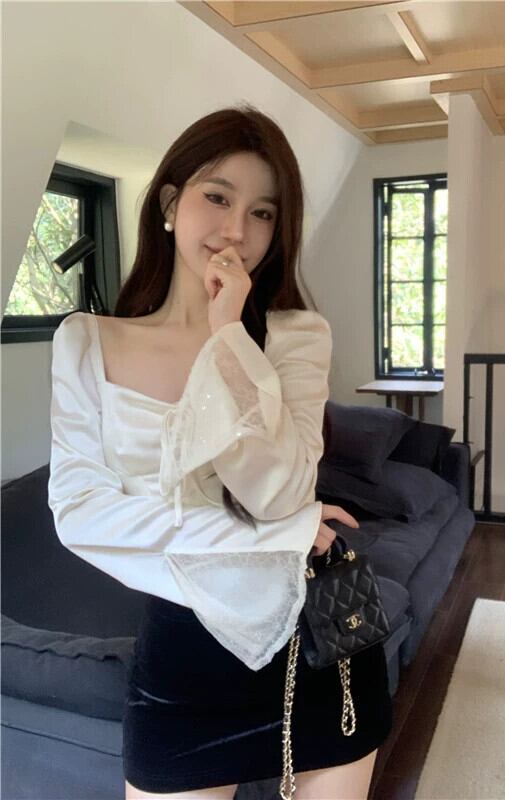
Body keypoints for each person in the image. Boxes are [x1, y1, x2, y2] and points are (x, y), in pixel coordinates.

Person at [47, 104, 393, 800]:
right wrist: (275, 537)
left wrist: (228, 334)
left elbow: (281, 492)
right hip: (182, 660)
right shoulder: (86, 342)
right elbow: (80, 513)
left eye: (262, 213)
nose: (237, 229)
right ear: (169, 203)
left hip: (314, 642)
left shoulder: (296, 336)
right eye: (218, 197)